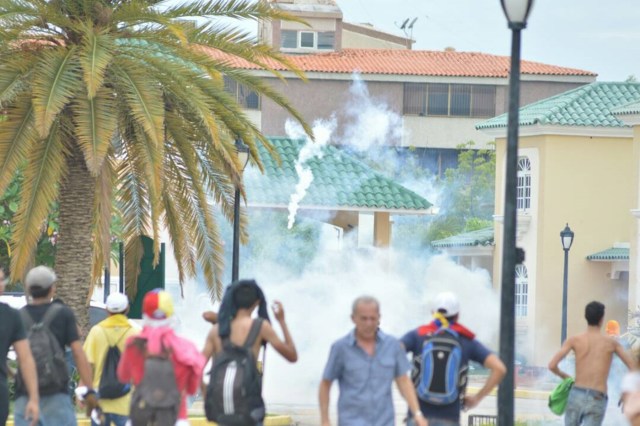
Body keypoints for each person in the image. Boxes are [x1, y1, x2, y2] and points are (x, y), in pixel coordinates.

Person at [319, 295, 427, 426]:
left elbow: (403, 381)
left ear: (379, 318)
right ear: (353, 318)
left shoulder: (392, 346)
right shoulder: (340, 348)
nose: (368, 323)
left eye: (372, 319)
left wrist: (417, 413)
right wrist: (325, 420)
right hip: (351, 422)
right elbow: (326, 384)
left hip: (384, 422)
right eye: (363, 319)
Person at [400, 292, 506, 426]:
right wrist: (477, 398)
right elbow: (499, 368)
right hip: (449, 418)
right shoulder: (465, 340)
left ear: (433, 312)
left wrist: (403, 386)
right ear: (457, 315)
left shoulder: (419, 335)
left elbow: (392, 352)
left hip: (418, 418)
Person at [202, 279, 298, 424]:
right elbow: (292, 355)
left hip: (221, 412)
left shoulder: (216, 331)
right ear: (257, 302)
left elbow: (194, 368)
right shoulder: (260, 327)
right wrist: (282, 321)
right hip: (249, 409)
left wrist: (207, 395)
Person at [14, 265, 95, 426]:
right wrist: (90, 391)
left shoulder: (19, 316)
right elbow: (78, 354)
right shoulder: (63, 314)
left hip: (25, 394)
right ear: (52, 289)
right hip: (56, 393)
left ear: (29, 289)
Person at [117, 289, 205, 425]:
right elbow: (192, 389)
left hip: (141, 418)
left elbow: (123, 376)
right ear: (171, 314)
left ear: (145, 312)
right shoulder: (186, 348)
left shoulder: (133, 345)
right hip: (175, 419)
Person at [548, 301, 636, 426]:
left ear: (586, 317)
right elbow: (633, 367)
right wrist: (626, 392)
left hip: (577, 393)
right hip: (597, 396)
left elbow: (552, 365)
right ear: (601, 319)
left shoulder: (574, 340)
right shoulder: (611, 343)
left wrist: (566, 377)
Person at [83, 293, 139, 426]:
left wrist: (84, 391)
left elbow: (87, 365)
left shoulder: (96, 331)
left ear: (107, 310)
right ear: (127, 309)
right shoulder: (135, 333)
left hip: (100, 401)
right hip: (127, 402)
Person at [0, 266, 39, 426]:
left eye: (2, 279)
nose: (1, 284)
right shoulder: (10, 316)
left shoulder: (11, 315)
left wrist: (33, 398)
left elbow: (25, 358)